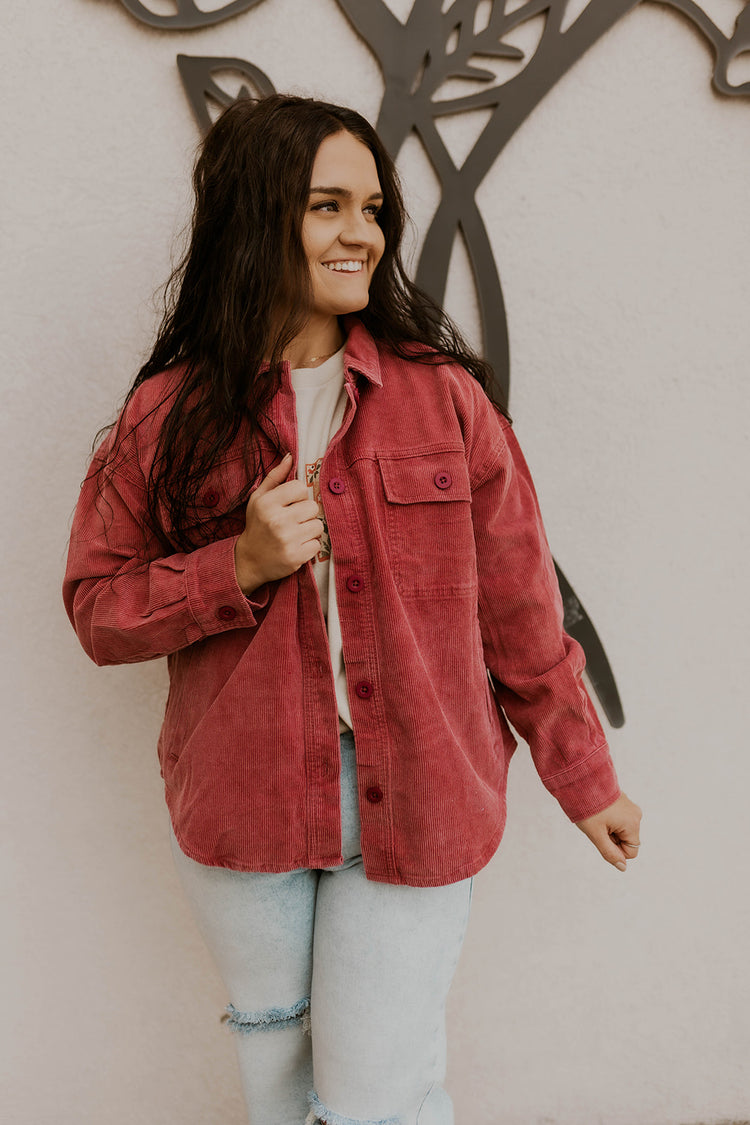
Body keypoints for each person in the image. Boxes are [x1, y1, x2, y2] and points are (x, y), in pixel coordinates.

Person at [63, 94, 642, 1125]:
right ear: (258, 217)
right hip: (244, 801)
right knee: (280, 1078)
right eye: (327, 205)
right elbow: (98, 609)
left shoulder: (445, 399)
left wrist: (585, 777)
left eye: (372, 208)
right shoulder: (169, 414)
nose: (362, 233)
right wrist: (236, 565)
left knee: (375, 1089)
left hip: (421, 787)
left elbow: (520, 610)